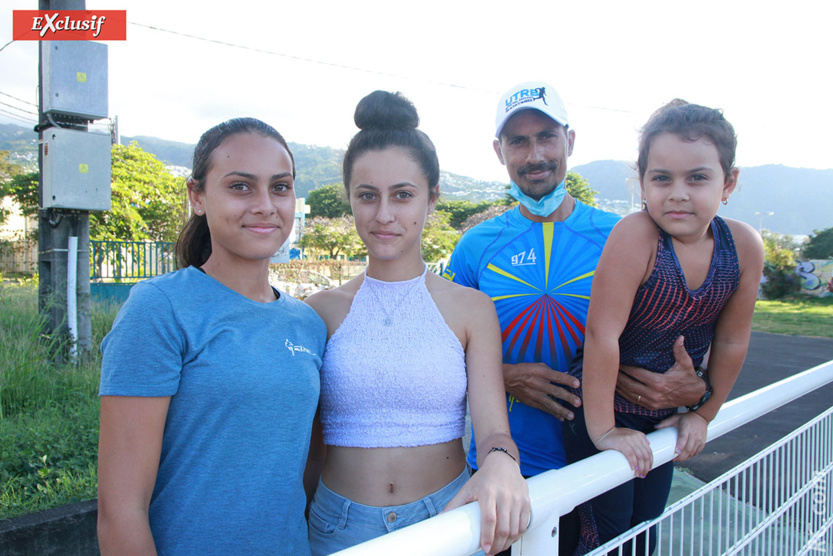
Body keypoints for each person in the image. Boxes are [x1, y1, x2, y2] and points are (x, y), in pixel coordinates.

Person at [442, 82, 710, 554]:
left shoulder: (626, 236)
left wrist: (696, 391)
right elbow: (439, 350)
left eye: (546, 136)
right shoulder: (475, 247)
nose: (534, 154)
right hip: (509, 472)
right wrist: (502, 376)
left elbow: (691, 327)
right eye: (518, 142)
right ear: (498, 151)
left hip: (607, 466)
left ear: (570, 141)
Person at [304, 90, 529, 556]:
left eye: (403, 195)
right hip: (337, 527)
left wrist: (503, 463)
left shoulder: (471, 309)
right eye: (368, 196)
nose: (384, 215)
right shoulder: (319, 310)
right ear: (350, 199)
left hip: (448, 520)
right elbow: (308, 443)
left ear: (432, 198)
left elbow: (492, 431)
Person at [97, 118, 327, 555]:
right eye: (241, 187)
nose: (265, 205)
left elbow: (307, 467)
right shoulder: (159, 310)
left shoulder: (308, 324)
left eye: (280, 187)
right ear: (198, 197)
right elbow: (120, 511)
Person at [562, 99, 765, 554]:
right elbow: (602, 335)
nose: (678, 192)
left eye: (697, 177)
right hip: (597, 404)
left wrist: (702, 413)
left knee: (647, 521)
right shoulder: (637, 235)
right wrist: (604, 431)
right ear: (641, 183)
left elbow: (732, 339)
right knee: (604, 525)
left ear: (728, 182)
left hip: (663, 418)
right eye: (661, 178)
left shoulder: (744, 246)